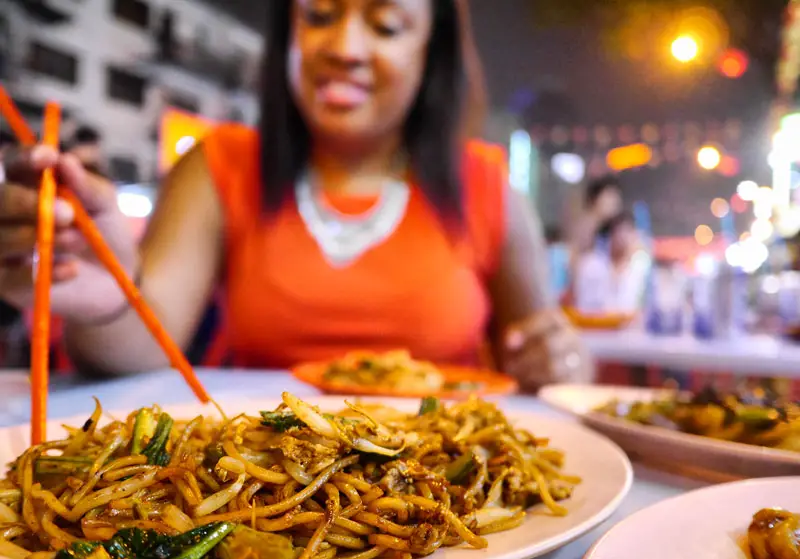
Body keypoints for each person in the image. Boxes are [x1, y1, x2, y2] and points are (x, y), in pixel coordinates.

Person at [0, 0, 589, 391]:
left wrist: (562, 363)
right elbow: (147, 343)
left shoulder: (486, 186)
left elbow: (548, 357)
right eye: (318, 17)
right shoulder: (220, 164)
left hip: (449, 500)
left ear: (431, 55)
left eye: (385, 26)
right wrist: (107, 296)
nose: (344, 48)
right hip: (269, 490)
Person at [572, 211, 647, 314]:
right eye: (619, 232)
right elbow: (588, 304)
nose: (623, 238)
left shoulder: (638, 266)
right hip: (594, 324)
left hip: (629, 326)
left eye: (628, 232)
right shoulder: (592, 264)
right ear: (610, 236)